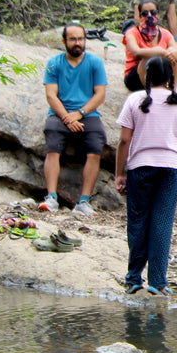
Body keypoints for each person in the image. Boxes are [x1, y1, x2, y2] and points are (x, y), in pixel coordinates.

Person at [114, 57, 177, 296]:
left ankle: (133, 279)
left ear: (146, 77)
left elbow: (124, 141)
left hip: (140, 167)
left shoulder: (134, 100)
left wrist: (120, 172)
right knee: (161, 223)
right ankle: (158, 282)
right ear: (171, 77)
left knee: (138, 221)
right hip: (172, 168)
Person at [39, 23, 108, 216]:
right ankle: (51, 197)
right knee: (53, 145)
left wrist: (79, 114)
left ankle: (84, 201)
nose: (77, 43)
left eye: (80, 39)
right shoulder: (54, 63)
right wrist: (67, 118)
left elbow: (100, 94)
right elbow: (51, 95)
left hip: (87, 115)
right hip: (60, 115)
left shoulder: (95, 63)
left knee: (95, 148)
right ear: (64, 41)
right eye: (73, 39)